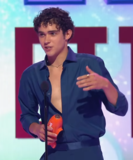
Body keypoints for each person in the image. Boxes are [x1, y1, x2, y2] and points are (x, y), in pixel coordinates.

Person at [18, 7, 128, 160]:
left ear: (67, 34)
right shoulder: (31, 74)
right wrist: (36, 128)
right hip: (53, 153)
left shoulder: (90, 65)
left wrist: (106, 86)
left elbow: (121, 109)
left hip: (88, 153)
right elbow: (27, 115)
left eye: (52, 33)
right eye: (42, 34)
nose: (46, 40)